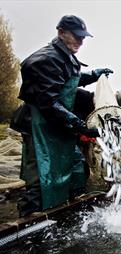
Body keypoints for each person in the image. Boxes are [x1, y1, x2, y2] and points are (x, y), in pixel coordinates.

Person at [12, 15, 113, 217]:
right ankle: (28, 226)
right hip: (38, 126)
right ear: (60, 32)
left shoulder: (65, 57)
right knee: (40, 177)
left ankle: (69, 212)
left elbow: (69, 80)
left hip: (58, 125)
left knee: (77, 168)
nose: (81, 41)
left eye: (83, 37)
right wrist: (80, 125)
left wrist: (93, 75)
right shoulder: (43, 59)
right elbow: (49, 102)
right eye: (76, 36)